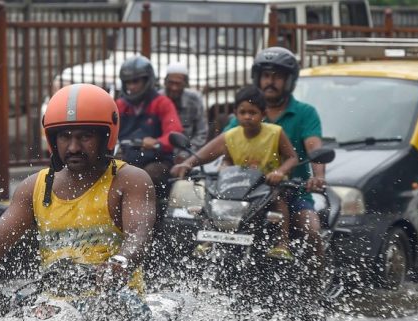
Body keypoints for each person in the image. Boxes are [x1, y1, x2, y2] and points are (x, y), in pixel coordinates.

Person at [0, 83, 156, 298]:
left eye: (85, 136)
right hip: (52, 310)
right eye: (65, 137)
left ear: (106, 137)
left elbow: (138, 235)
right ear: (53, 140)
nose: (73, 147)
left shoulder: (130, 180)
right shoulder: (35, 186)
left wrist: (120, 262)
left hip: (117, 305)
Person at [171, 85, 300, 259]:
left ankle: (282, 243)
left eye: (253, 112)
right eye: (243, 112)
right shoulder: (231, 135)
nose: (247, 117)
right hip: (238, 188)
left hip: (267, 186)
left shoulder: (275, 133)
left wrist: (279, 171)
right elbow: (206, 153)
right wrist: (187, 164)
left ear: (263, 114)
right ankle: (210, 239)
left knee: (279, 200)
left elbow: (293, 157)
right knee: (212, 197)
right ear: (235, 113)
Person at [225, 47, 326, 266]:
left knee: (311, 230)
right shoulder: (245, 116)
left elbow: (314, 147)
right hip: (246, 198)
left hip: (293, 193)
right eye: (266, 76)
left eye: (277, 76)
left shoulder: (305, 113)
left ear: (289, 80)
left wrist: (317, 176)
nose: (270, 82)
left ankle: (315, 282)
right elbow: (222, 147)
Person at [115, 55, 184, 198]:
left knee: (147, 177)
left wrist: (158, 143)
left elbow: (174, 131)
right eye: (128, 82)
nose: (131, 87)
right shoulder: (120, 105)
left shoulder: (162, 103)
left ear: (147, 80)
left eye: (136, 81)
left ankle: (152, 217)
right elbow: (109, 130)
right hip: (127, 158)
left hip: (157, 160)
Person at [163, 61, 208, 157]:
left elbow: (201, 133)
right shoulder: (158, 99)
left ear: (185, 84)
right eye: (171, 83)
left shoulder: (194, 100)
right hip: (162, 154)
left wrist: (186, 153)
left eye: (178, 84)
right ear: (165, 82)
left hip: (188, 153)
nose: (174, 88)